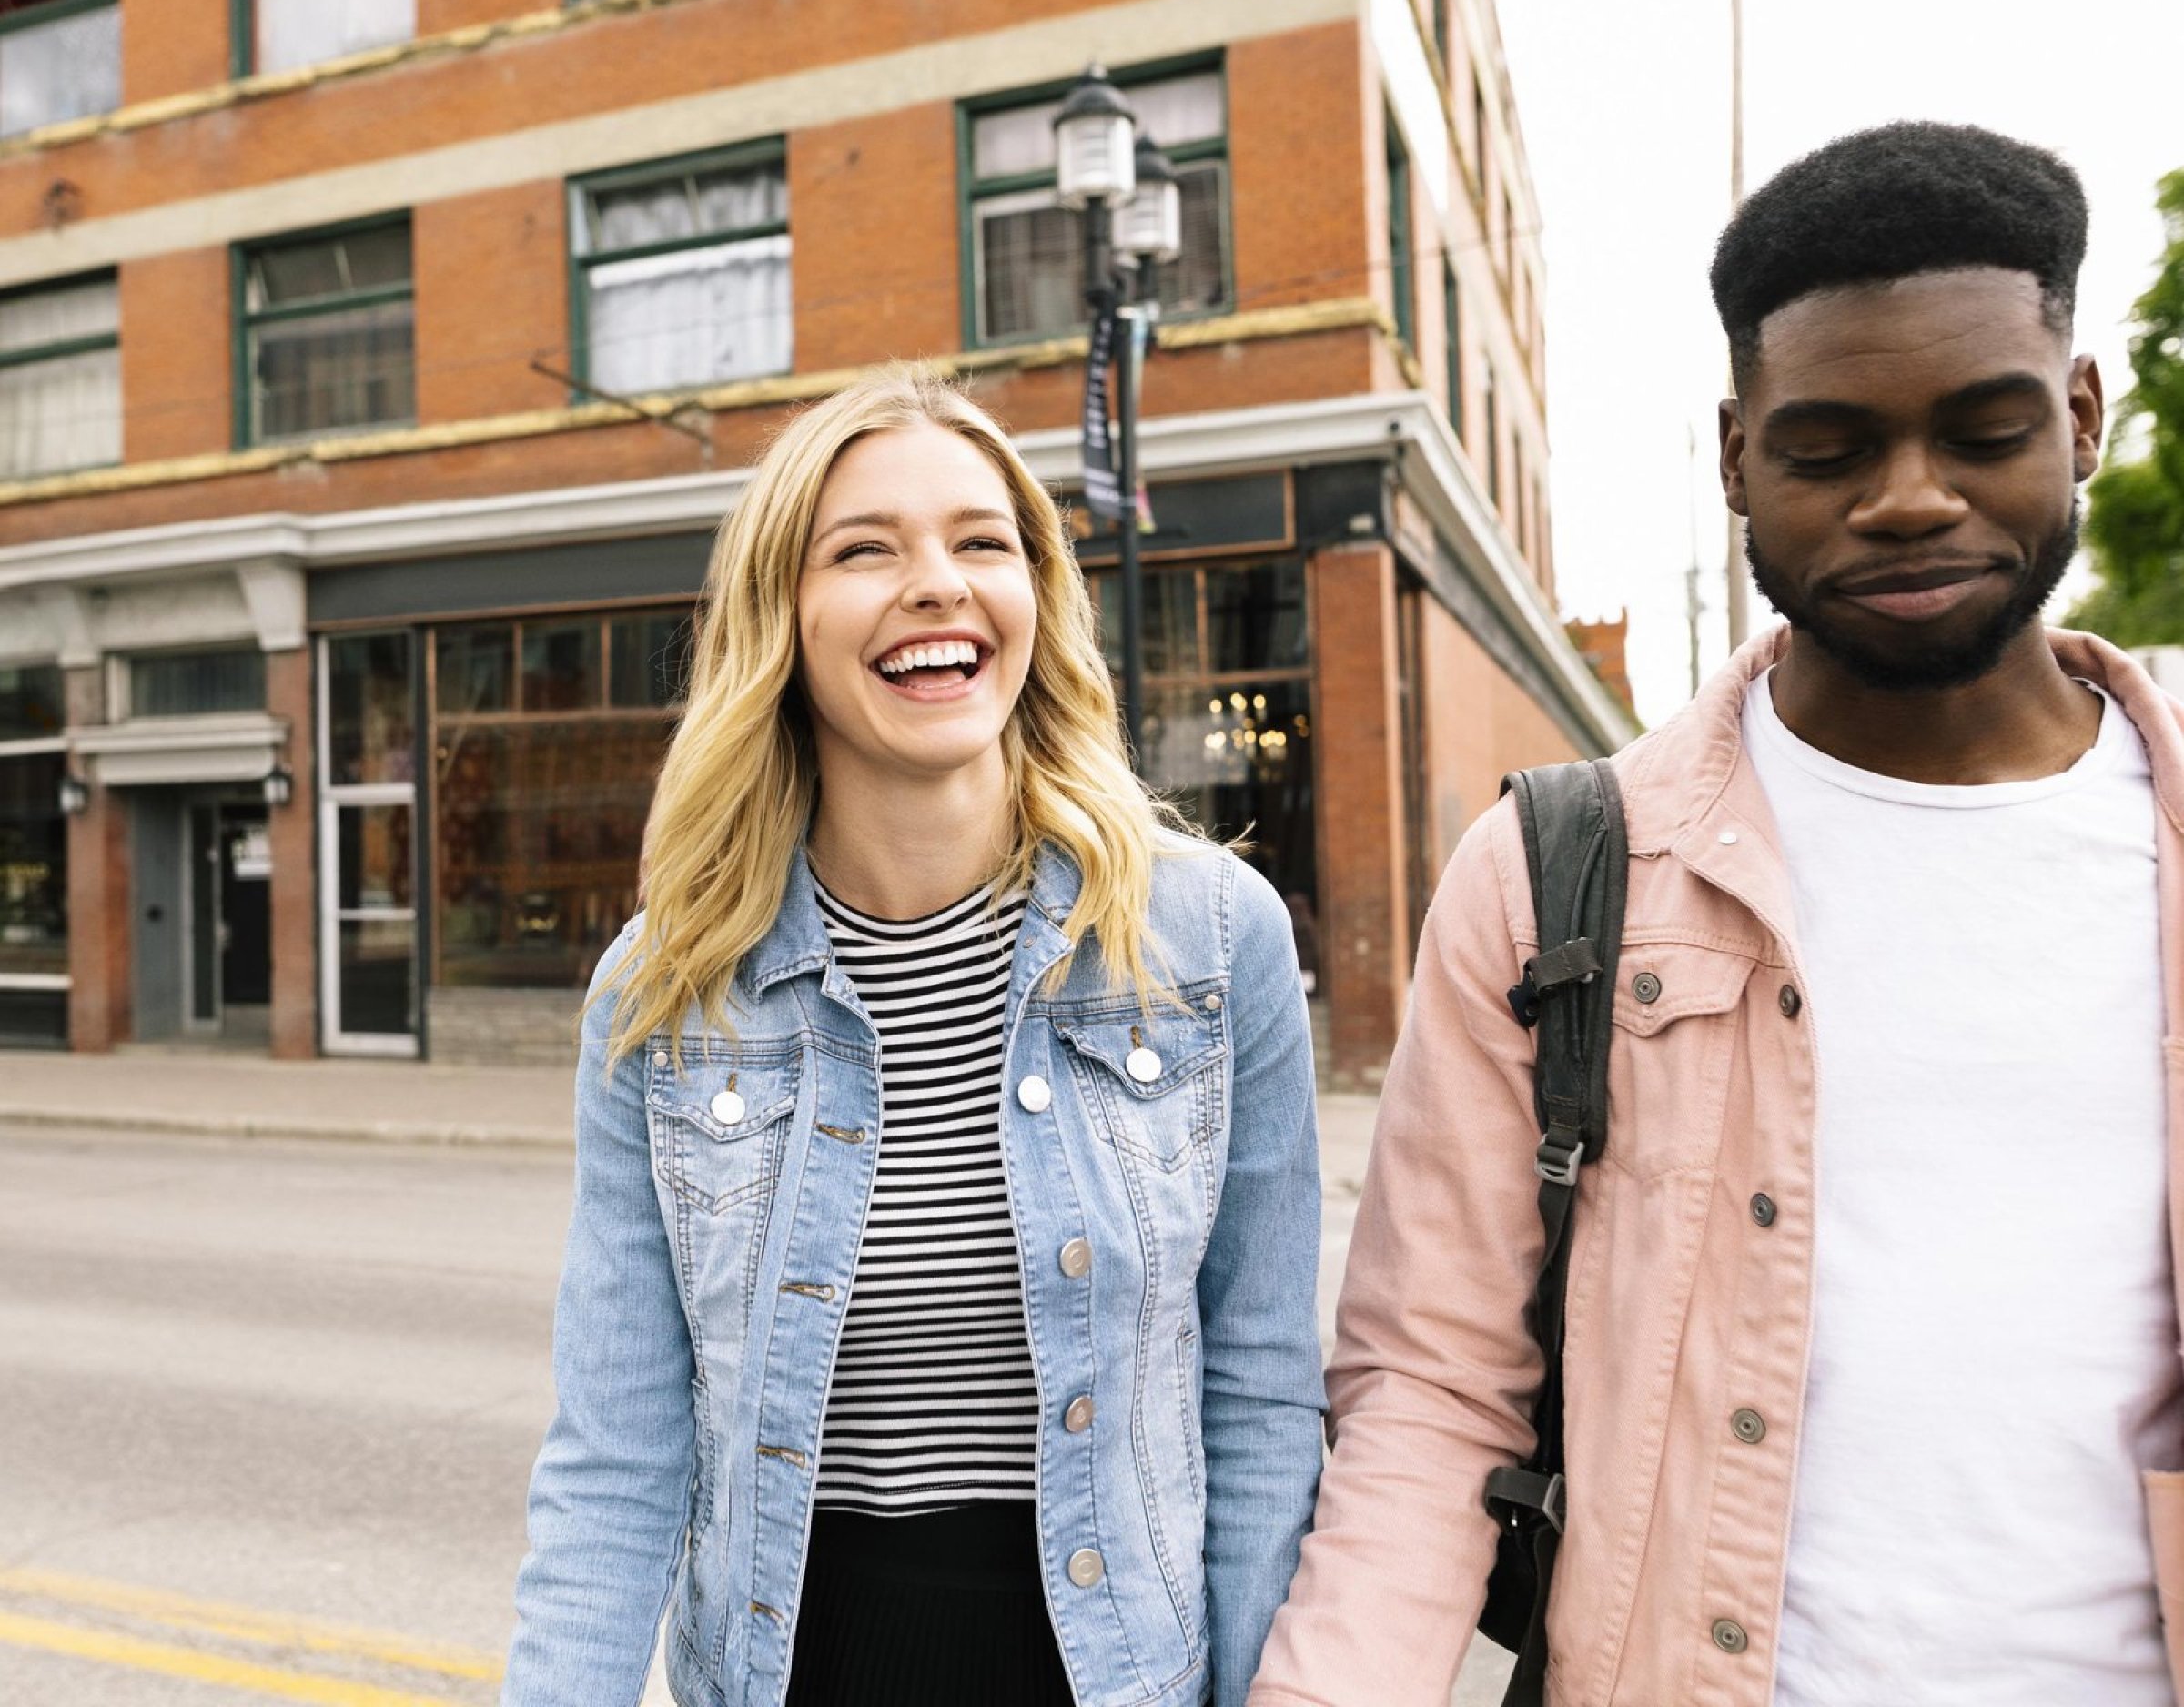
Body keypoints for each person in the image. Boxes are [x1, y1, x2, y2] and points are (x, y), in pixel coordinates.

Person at [1250, 122, 2184, 1705]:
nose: (1909, 500)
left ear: (2081, 417)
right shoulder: (1557, 871)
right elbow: (1431, 1394)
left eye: (1983, 429)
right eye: (1829, 449)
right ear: (1737, 454)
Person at [503, 369, 1324, 1707]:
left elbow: (1259, 1394)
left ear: (1035, 602)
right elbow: (617, 1453)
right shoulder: (662, 991)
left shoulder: (1213, 941)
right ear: (785, 621)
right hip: (795, 1668)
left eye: (982, 542)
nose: (938, 582)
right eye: (866, 549)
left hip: (1117, 1675)